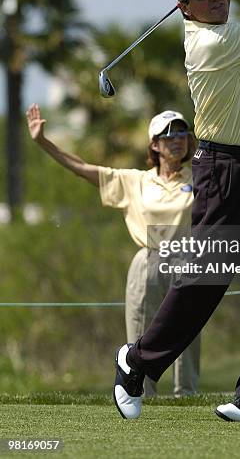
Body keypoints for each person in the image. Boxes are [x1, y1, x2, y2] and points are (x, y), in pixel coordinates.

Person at [113, 0, 240, 422]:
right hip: (224, 171)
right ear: (183, 7)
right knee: (206, 278)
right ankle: (137, 361)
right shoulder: (209, 43)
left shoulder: (225, 32)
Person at [26, 105, 199, 397]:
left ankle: (187, 394)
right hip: (149, 260)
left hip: (188, 259)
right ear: (154, 145)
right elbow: (82, 169)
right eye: (168, 134)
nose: (177, 138)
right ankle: (142, 393)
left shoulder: (199, 176)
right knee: (142, 331)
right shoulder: (135, 181)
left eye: (182, 132)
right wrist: (43, 142)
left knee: (188, 331)